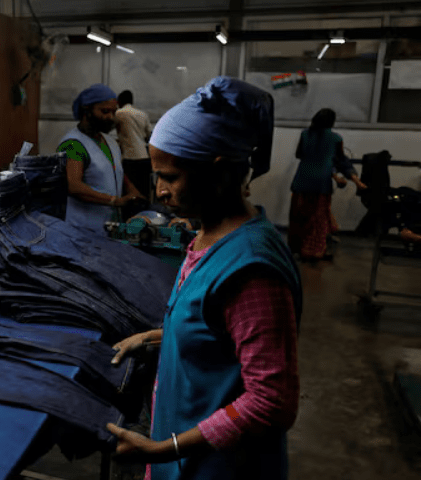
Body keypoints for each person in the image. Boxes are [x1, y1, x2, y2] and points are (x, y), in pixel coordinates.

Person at [105, 76, 302, 480]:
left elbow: (271, 401)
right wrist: (153, 337)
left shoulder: (252, 271)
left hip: (219, 467)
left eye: (170, 177)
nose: (158, 191)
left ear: (221, 175)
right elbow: (218, 328)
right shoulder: (207, 236)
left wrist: (166, 448)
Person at [57, 84, 144, 234]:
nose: (110, 117)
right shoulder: (73, 144)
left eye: (113, 112)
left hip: (110, 226)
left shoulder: (110, 141)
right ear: (86, 111)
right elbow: (74, 186)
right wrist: (114, 201)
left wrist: (134, 193)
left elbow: (115, 170)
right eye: (104, 111)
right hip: (83, 228)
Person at [288, 108, 353, 261]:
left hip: (302, 181)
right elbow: (340, 160)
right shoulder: (336, 139)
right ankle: (313, 251)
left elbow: (299, 154)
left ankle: (296, 248)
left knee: (299, 216)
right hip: (321, 184)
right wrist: (348, 176)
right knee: (318, 220)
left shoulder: (305, 135)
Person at [115, 90, 154, 209]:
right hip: (144, 158)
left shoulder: (119, 113)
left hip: (129, 158)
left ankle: (130, 221)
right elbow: (149, 136)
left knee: (130, 195)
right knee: (144, 193)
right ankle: (146, 218)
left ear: (120, 101)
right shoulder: (142, 114)